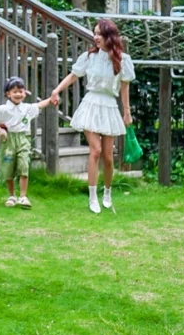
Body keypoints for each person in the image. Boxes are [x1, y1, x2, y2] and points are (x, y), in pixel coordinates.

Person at [50, 18, 134, 214]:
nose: (95, 37)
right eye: (94, 33)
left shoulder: (123, 60)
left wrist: (127, 111)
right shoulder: (88, 57)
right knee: (95, 150)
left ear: (109, 36)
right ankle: (92, 196)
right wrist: (57, 91)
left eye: (99, 34)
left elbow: (124, 86)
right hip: (90, 104)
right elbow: (73, 75)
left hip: (109, 106)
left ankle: (107, 193)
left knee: (108, 156)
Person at [0, 76, 55, 208]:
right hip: (8, 140)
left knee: (24, 166)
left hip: (23, 138)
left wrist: (51, 99)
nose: (18, 94)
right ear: (8, 94)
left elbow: (39, 105)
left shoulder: (27, 108)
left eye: (20, 91)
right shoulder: (3, 109)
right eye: (15, 91)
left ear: (25, 93)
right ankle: (12, 196)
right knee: (8, 166)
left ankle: (23, 196)